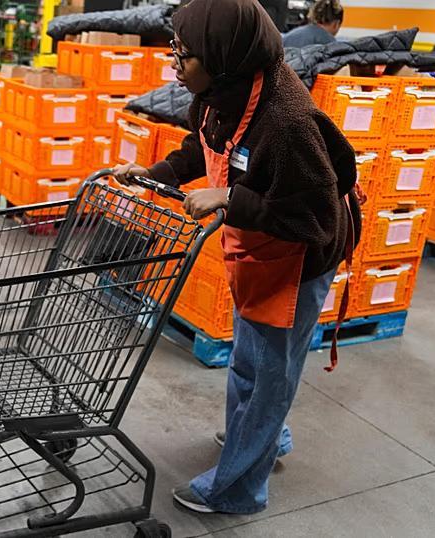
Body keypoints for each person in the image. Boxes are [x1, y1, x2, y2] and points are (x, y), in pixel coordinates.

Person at [113, 0, 361, 515]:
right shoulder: (220, 94)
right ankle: (265, 436)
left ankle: (240, 490)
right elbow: (202, 145)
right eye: (175, 50)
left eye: (184, 54)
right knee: (251, 359)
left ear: (223, 55)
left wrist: (230, 198)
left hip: (298, 256)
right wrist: (156, 173)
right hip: (258, 248)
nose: (175, 64)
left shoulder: (287, 121)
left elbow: (315, 216)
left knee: (271, 373)